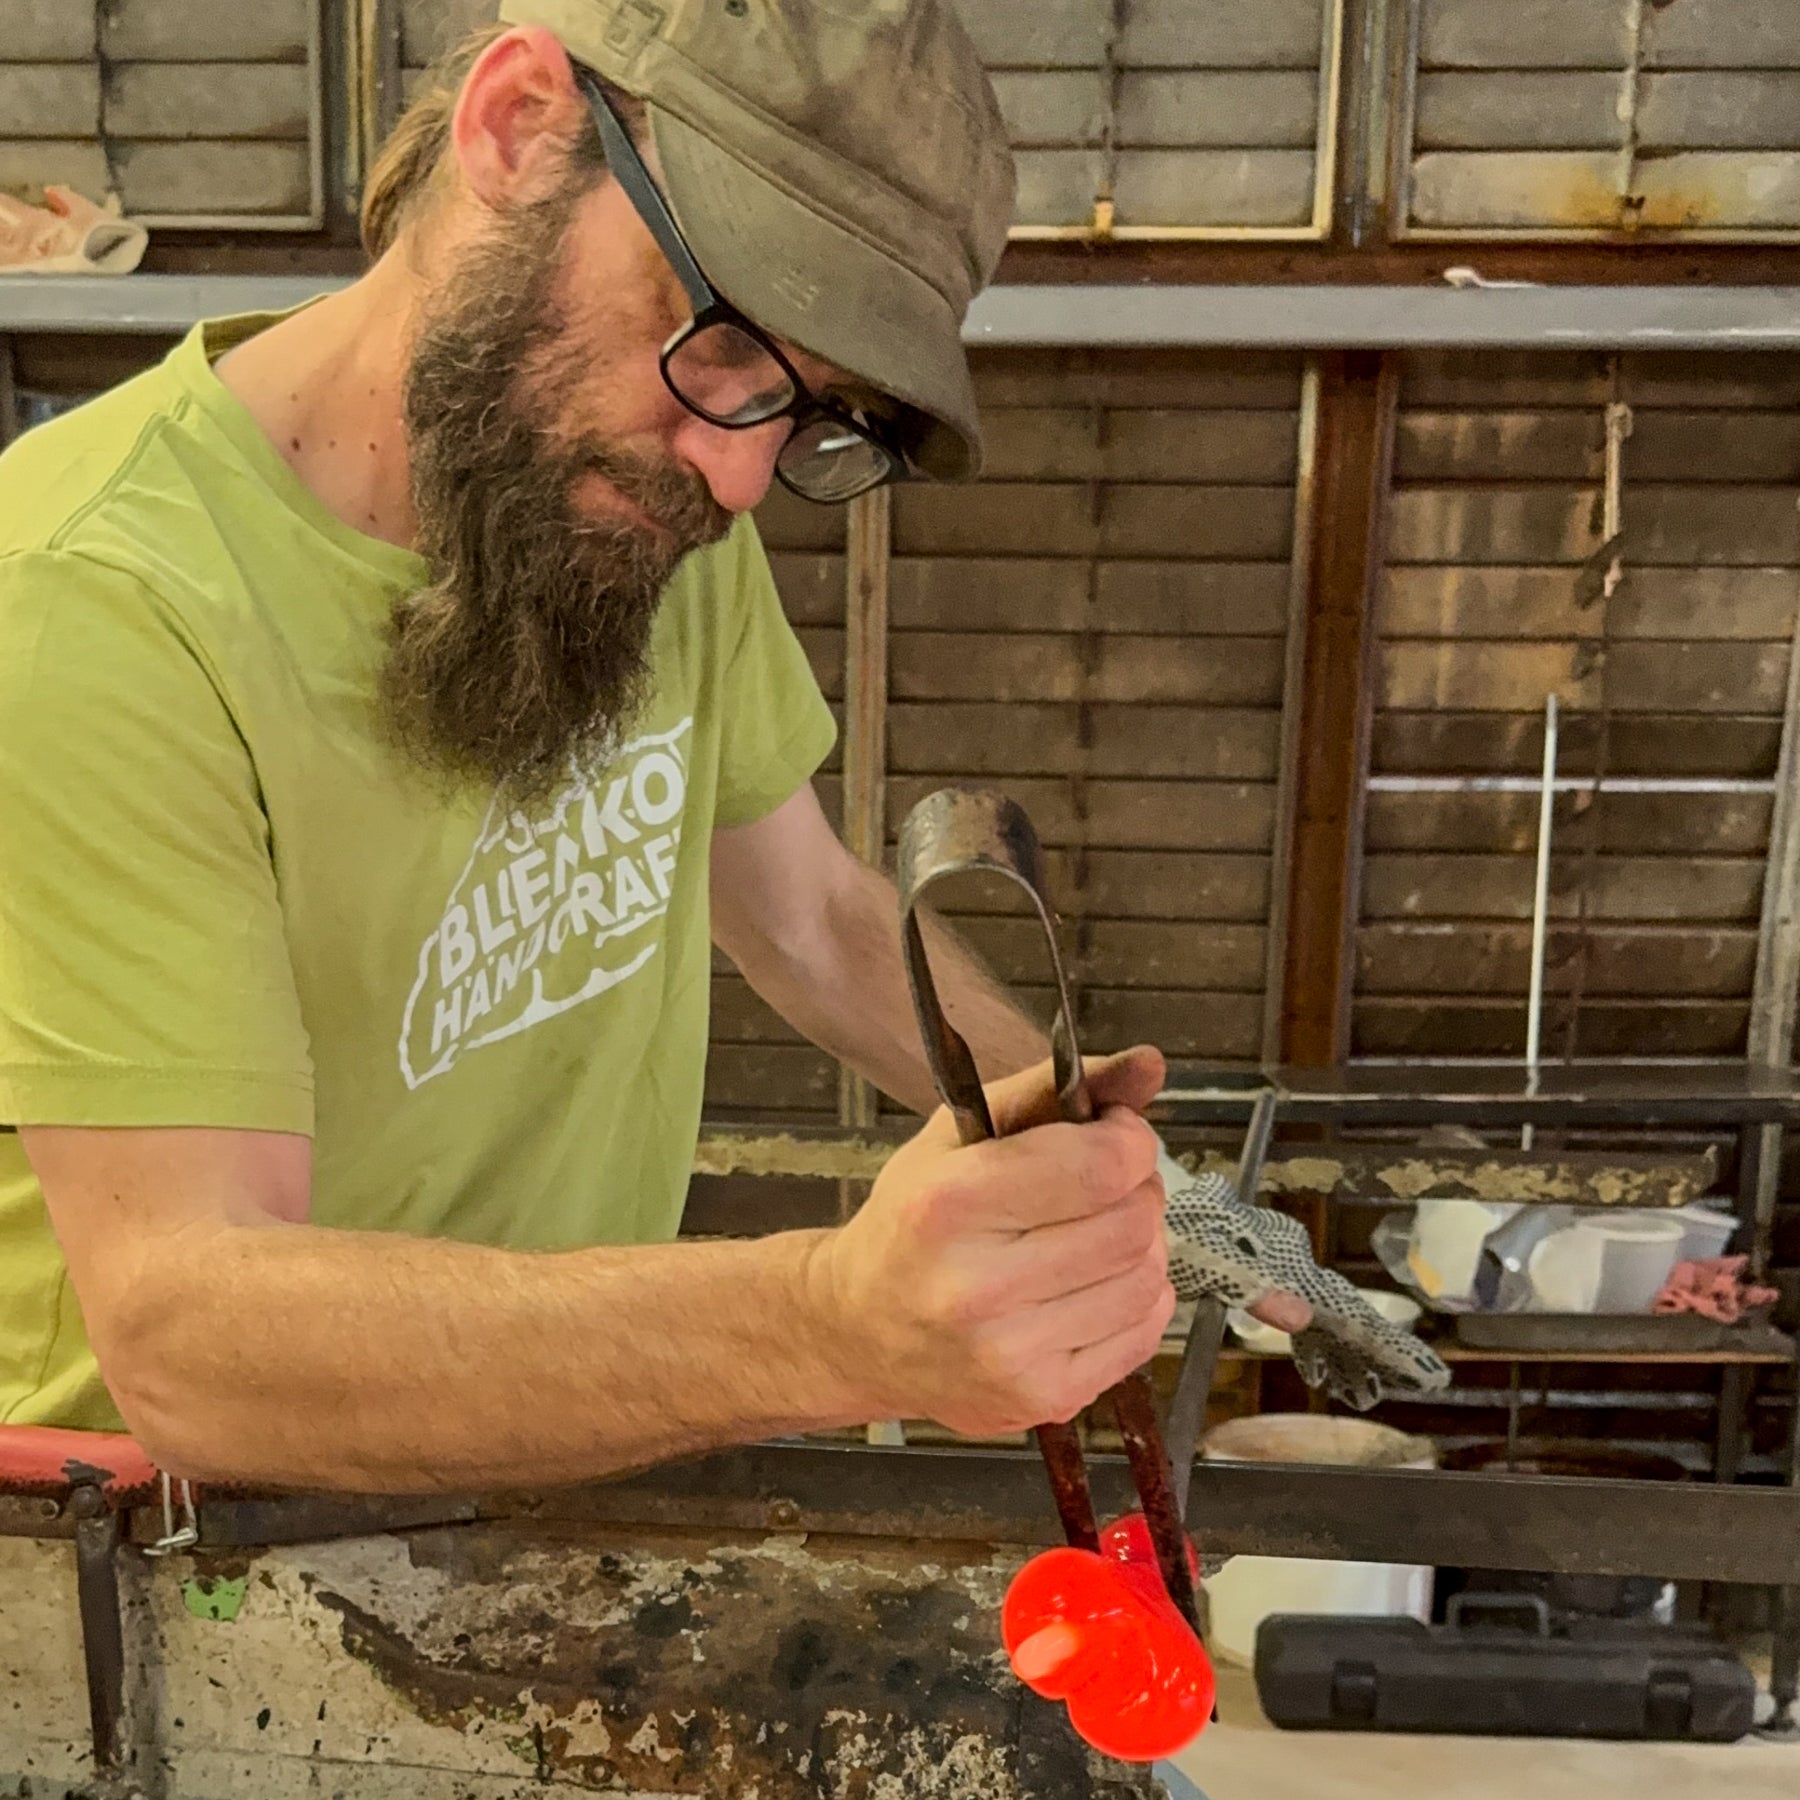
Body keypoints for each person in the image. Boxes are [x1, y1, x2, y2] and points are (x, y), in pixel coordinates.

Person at [0, 1, 1432, 1493]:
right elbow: (194, 1338)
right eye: (725, 336)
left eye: (808, 409)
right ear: (517, 127)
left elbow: (809, 918)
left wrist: (1143, 1190)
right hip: (174, 1557)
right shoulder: (92, 596)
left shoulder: (632, 500)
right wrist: (829, 1324)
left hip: (530, 1485)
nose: (739, 474)